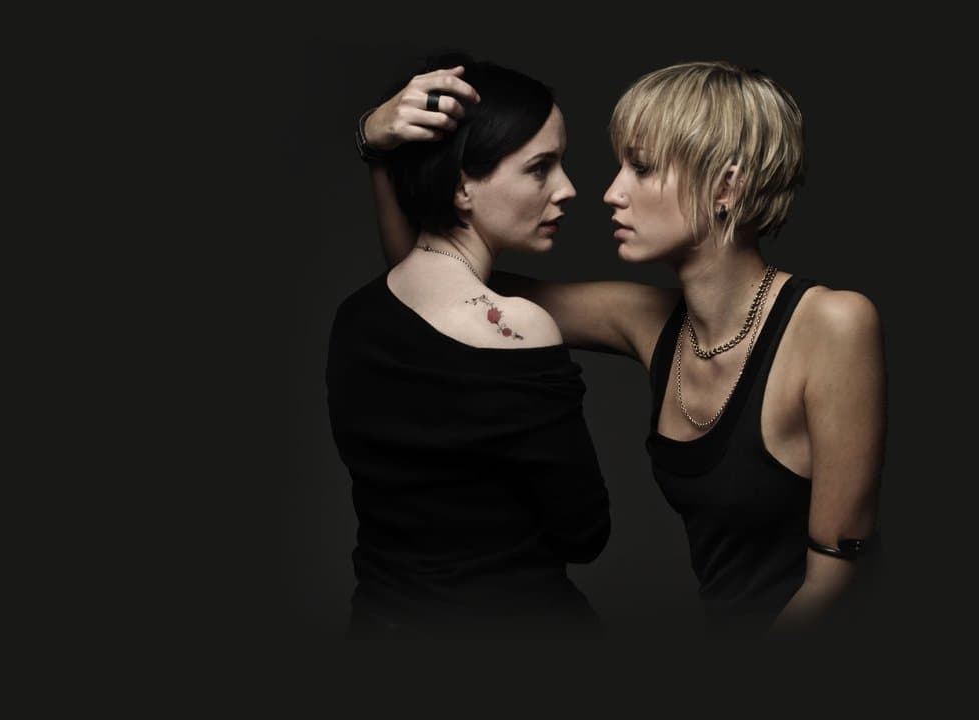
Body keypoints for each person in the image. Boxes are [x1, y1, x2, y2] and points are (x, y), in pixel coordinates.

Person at [363, 58, 884, 635]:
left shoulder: (834, 323)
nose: (611, 192)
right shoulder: (647, 322)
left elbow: (836, 579)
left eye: (642, 167)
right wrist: (375, 145)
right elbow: (435, 276)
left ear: (726, 186)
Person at [327, 55, 610, 637]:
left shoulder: (355, 318)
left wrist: (372, 146)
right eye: (541, 167)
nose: (568, 189)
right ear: (461, 185)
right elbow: (585, 533)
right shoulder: (519, 329)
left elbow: (416, 278)